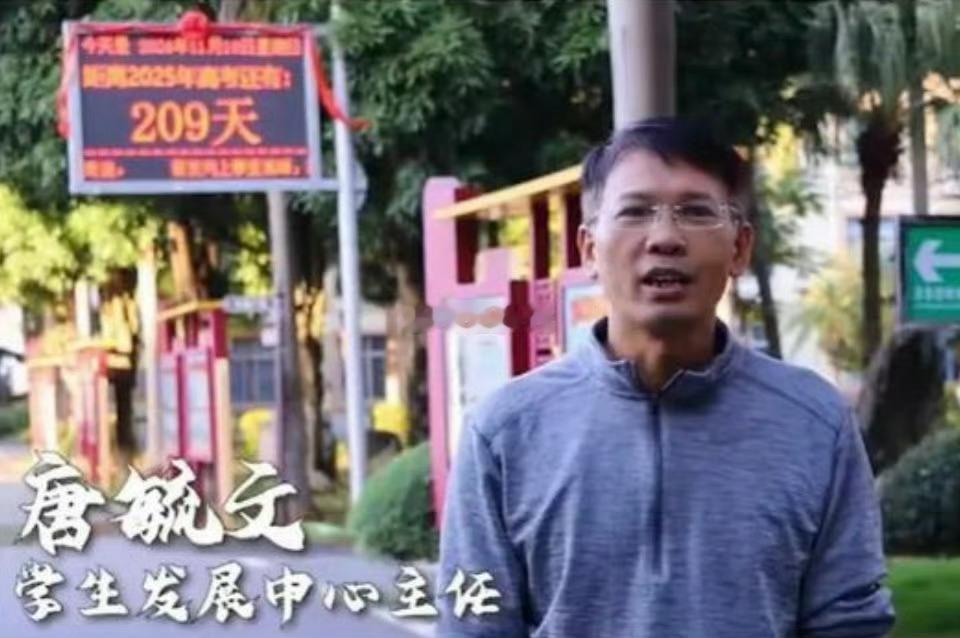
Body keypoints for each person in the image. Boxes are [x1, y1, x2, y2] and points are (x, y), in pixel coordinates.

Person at [435, 117, 895, 638]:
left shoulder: (814, 423)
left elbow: (849, 621)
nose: (665, 238)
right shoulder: (505, 431)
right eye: (634, 212)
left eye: (696, 212)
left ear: (740, 248)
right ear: (589, 249)